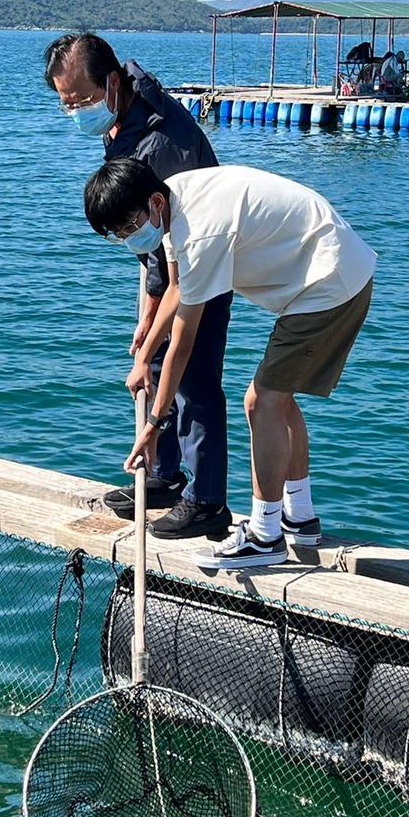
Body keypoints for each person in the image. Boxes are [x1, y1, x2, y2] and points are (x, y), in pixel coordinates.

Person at [85, 159, 376, 571]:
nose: (130, 237)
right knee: (278, 399)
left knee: (262, 402)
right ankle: (299, 517)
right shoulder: (173, 198)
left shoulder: (200, 231)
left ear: (153, 203)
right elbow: (177, 287)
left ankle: (265, 536)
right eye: (119, 234)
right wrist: (144, 355)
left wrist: (153, 425)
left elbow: (182, 344)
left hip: (329, 283)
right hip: (334, 269)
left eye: (131, 226)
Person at [44, 33, 233, 540]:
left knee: (192, 378)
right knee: (155, 364)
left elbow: (170, 239)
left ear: (111, 83)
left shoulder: (162, 143)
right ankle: (164, 475)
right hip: (163, 259)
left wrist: (151, 318)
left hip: (201, 261)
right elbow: (149, 241)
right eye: (66, 104)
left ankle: (207, 499)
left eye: (81, 100)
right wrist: (148, 317)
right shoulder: (124, 114)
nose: (76, 112)